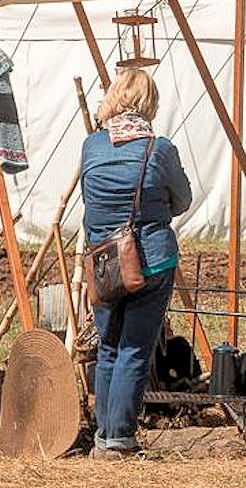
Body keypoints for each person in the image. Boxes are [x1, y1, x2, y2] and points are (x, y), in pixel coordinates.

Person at [81, 69, 192, 459]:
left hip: (104, 262)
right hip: (149, 258)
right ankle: (121, 440)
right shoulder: (159, 150)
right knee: (133, 349)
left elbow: (90, 203)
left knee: (109, 345)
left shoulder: (91, 146)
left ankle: (103, 438)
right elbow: (183, 201)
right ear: (150, 104)